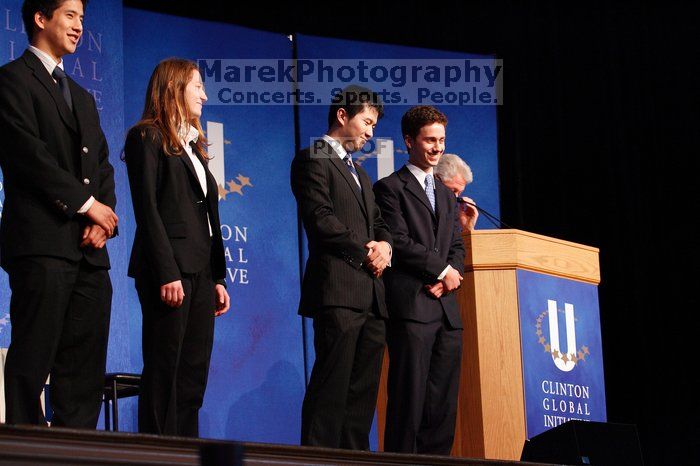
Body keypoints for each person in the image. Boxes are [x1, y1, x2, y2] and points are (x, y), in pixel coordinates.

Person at [0, 0, 118, 428]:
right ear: (40, 18)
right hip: (42, 245)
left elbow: (101, 165)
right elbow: (28, 156)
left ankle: (78, 452)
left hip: (89, 252)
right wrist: (87, 207)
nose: (79, 26)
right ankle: (21, 451)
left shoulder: (83, 97)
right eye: (70, 15)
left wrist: (102, 221)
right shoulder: (11, 81)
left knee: (83, 375)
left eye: (83, 19)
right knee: (31, 363)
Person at [124, 58, 230, 437]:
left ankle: (186, 452)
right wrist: (168, 272)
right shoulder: (146, 137)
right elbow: (147, 209)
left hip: (201, 271)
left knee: (192, 373)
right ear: (173, 88)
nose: (204, 94)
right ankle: (156, 454)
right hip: (168, 270)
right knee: (165, 368)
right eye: (197, 86)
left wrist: (217, 276)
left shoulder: (195, 148)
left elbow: (208, 220)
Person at [291, 85, 393, 450]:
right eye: (366, 122)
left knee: (361, 398)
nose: (370, 132)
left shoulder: (361, 175)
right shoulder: (312, 158)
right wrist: (366, 252)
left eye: (374, 125)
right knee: (330, 389)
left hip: (372, 298)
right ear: (342, 116)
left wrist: (384, 246)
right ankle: (316, 458)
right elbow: (320, 219)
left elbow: (379, 224)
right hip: (338, 291)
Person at [374, 106, 465, 454]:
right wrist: (441, 271)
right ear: (409, 141)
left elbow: (456, 244)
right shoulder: (389, 189)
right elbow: (397, 240)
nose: (437, 148)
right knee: (407, 406)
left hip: (446, 313)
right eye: (430, 140)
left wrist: (450, 278)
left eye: (441, 140)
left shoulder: (445, 192)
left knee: (442, 410)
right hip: (412, 309)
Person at [434, 153, 479, 232]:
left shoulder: (451, 215)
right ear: (436, 179)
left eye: (459, 193)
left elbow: (455, 244)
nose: (455, 198)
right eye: (453, 190)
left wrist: (467, 229)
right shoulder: (414, 205)